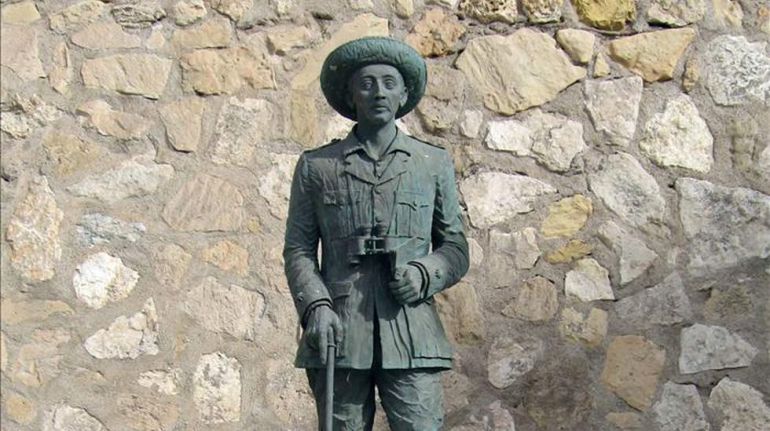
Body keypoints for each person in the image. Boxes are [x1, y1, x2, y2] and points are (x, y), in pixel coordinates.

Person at [283, 37, 469, 431]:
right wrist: (316, 306)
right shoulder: (317, 166)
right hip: (341, 330)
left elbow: (454, 246)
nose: (378, 92)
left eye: (388, 82)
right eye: (366, 84)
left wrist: (424, 273)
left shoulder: (432, 164)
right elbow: (298, 249)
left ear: (403, 94)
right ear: (351, 96)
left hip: (412, 332)